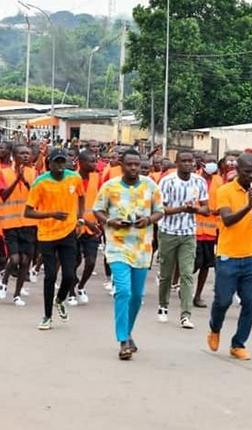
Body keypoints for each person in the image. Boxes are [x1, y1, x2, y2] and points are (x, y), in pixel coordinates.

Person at [94, 149, 164, 360]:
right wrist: (109, 221)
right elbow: (97, 209)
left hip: (142, 248)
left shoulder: (150, 185)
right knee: (123, 291)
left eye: (137, 164)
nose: (133, 168)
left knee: (137, 296)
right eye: (129, 164)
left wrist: (149, 220)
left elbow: (160, 210)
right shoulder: (110, 186)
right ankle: (123, 339)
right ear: (121, 165)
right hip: (117, 246)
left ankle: (128, 332)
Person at [206, 154, 252, 360]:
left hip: (251, 257)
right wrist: (247, 207)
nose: (251, 175)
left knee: (250, 304)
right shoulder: (224, 190)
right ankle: (215, 328)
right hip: (227, 256)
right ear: (237, 170)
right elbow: (227, 220)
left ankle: (238, 344)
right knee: (223, 301)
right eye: (247, 171)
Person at [25, 148, 85, 330]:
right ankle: (47, 316)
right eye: (56, 162)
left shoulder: (74, 178)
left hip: (68, 233)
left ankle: (60, 299)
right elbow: (28, 212)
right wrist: (51, 214)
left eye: (62, 162)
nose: (60, 166)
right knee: (50, 275)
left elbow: (81, 197)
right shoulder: (40, 183)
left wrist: (80, 219)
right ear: (48, 163)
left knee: (69, 275)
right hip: (47, 234)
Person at [156, 151, 209, 328]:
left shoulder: (199, 181)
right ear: (177, 163)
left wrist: (196, 210)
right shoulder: (167, 181)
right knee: (166, 273)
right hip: (168, 231)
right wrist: (181, 209)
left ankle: (185, 314)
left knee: (186, 273)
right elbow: (160, 209)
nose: (188, 164)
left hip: (188, 233)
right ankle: (163, 305)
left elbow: (206, 209)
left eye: (190, 161)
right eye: (184, 161)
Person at [0, 144, 37, 305]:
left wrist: (25, 181)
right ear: (14, 155)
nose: (25, 156)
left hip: (29, 222)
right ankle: (4, 280)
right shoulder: (4, 173)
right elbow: (2, 196)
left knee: (26, 260)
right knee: (15, 258)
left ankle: (17, 294)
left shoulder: (33, 173)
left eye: (28, 153)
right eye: (22, 153)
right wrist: (16, 180)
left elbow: (36, 194)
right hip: (10, 221)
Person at [193, 154, 223, 307]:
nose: (212, 164)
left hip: (211, 230)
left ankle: (197, 295)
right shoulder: (194, 179)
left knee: (206, 265)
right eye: (209, 162)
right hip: (194, 229)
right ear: (201, 163)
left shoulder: (219, 181)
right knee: (194, 263)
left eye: (214, 162)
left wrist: (219, 211)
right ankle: (182, 283)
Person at [72, 150, 102, 305]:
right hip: (74, 227)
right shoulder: (72, 178)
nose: (94, 164)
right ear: (81, 163)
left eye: (95, 161)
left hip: (92, 228)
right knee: (73, 261)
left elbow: (102, 201)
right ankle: (71, 290)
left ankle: (81, 286)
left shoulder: (97, 178)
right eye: (91, 161)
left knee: (90, 261)